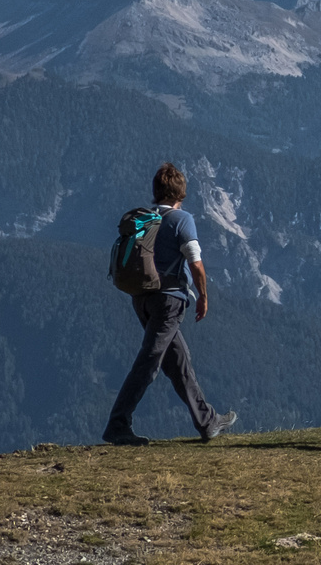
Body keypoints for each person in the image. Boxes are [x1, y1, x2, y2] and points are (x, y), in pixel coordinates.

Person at [103, 163, 239, 446]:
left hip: (141, 298)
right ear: (182, 193)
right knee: (149, 362)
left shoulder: (145, 220)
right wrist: (203, 296)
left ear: (156, 192)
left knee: (178, 362)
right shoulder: (182, 220)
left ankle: (207, 421)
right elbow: (196, 264)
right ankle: (118, 424)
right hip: (170, 300)